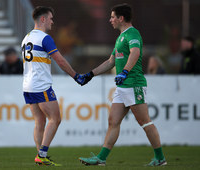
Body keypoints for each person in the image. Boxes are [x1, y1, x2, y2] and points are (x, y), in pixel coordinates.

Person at [79, 4, 167, 166]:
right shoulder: (120, 37)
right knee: (113, 121)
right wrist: (90, 75)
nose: (110, 19)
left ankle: (160, 158)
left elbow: (135, 53)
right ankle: (101, 158)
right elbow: (111, 61)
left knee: (145, 122)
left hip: (133, 83)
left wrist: (125, 71)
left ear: (121, 18)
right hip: (123, 86)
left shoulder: (132, 33)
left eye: (113, 17)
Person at [21, 6, 85, 166]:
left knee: (39, 121)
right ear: (42, 19)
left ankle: (40, 156)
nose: (52, 21)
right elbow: (61, 60)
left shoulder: (26, 37)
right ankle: (42, 155)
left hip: (28, 85)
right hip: (41, 86)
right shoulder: (45, 38)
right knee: (55, 119)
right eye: (50, 18)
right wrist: (76, 76)